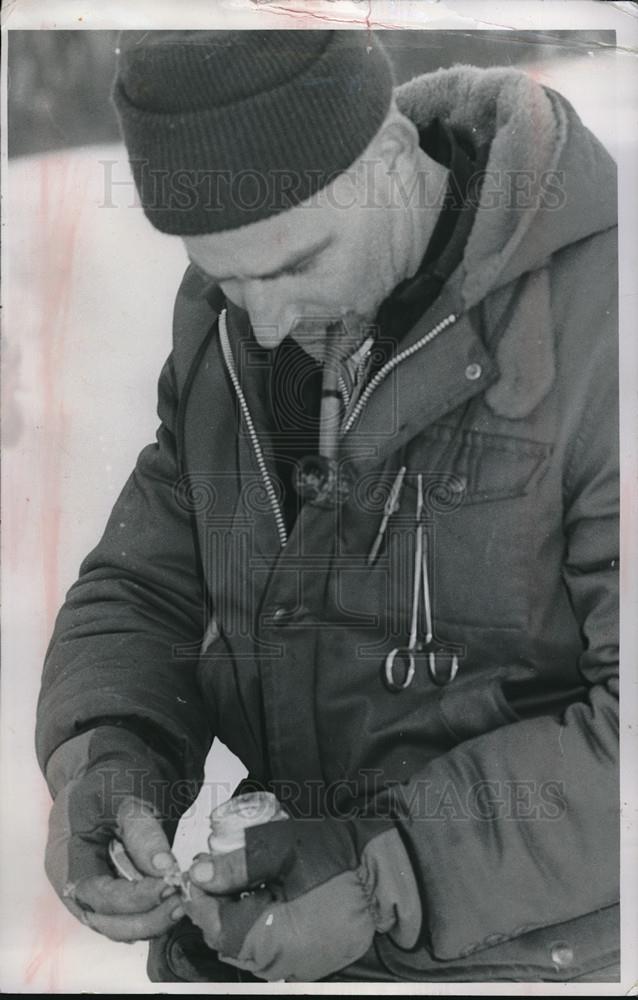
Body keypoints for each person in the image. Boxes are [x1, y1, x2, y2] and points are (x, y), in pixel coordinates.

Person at [36, 30, 619, 983]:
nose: (263, 322)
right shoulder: (234, 334)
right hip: (275, 947)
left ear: (391, 152)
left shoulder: (607, 326)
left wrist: (382, 875)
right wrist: (109, 761)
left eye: (295, 264)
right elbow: (148, 586)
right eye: (228, 279)